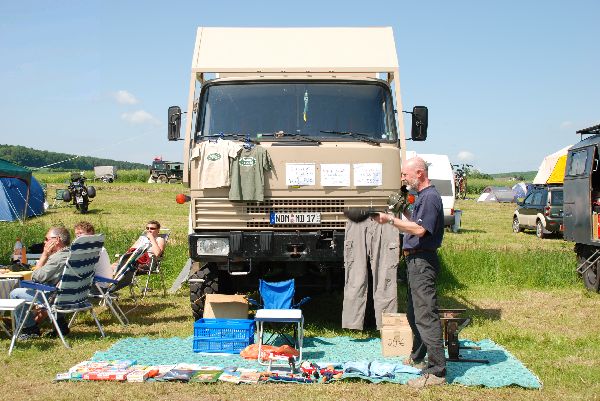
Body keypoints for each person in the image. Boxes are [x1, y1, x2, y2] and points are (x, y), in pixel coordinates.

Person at [372, 156, 446, 388]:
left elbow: (419, 229)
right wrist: (403, 210)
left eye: (406, 174)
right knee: (415, 315)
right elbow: (414, 222)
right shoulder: (422, 197)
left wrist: (390, 220)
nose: (403, 178)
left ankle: (437, 372)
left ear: (420, 173)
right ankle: (418, 357)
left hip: (423, 261)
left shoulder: (431, 197)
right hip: (415, 261)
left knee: (426, 315)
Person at [10, 226, 71, 338]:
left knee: (15, 293)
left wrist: (44, 255)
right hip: (72, 296)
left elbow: (36, 277)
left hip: (54, 297)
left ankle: (30, 330)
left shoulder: (58, 258)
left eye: (47, 239)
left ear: (56, 240)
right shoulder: (72, 254)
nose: (44, 242)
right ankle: (61, 326)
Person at [74, 221, 113, 286]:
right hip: (106, 282)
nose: (78, 236)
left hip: (98, 285)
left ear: (90, 233)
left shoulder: (91, 250)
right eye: (76, 234)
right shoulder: (99, 247)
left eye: (81, 233)